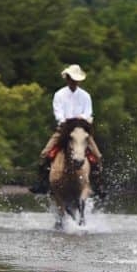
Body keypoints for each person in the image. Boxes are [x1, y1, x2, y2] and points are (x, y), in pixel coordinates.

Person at [29, 64, 106, 197]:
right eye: (71, 79)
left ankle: (98, 184)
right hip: (64, 129)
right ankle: (42, 182)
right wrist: (67, 121)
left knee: (97, 156)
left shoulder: (85, 96)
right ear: (67, 78)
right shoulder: (59, 94)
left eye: (76, 79)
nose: (74, 82)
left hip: (81, 130)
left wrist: (80, 120)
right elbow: (58, 113)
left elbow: (88, 113)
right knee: (45, 153)